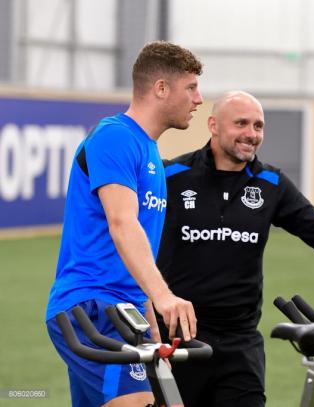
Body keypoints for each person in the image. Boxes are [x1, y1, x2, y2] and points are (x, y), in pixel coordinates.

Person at [156, 90, 314, 406]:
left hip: (239, 347)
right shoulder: (172, 176)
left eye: (258, 126)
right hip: (177, 341)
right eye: (241, 123)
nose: (251, 134)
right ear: (213, 125)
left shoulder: (271, 184)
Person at [45, 41, 204, 407]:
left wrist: (151, 327)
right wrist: (165, 296)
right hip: (91, 307)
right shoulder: (115, 136)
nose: (198, 99)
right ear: (161, 88)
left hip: (125, 312)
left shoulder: (149, 152)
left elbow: (136, 257)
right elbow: (122, 223)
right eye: (191, 88)